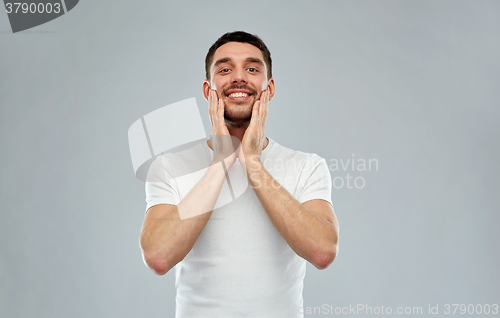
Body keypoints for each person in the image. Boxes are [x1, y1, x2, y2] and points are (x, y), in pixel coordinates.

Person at [139, 31, 339, 318]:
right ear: (208, 91)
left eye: (252, 68)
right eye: (224, 69)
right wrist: (222, 160)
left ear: (269, 89)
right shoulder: (170, 167)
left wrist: (253, 163)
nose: (239, 77)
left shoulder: (307, 166)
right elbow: (158, 257)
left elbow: (322, 252)